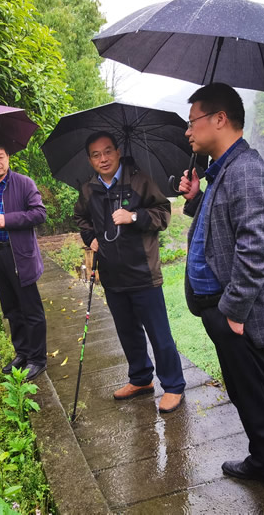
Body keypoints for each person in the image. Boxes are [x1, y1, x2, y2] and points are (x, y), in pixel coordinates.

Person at [178, 83, 264, 514]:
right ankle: (261, 461)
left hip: (239, 315)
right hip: (222, 310)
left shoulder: (247, 170)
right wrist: (196, 199)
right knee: (244, 396)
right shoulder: (224, 170)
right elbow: (221, 228)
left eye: (193, 121)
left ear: (219, 119)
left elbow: (256, 250)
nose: (188, 131)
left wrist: (233, 312)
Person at [74, 131, 186, 414]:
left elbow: (163, 214)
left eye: (107, 151)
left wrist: (134, 216)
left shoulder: (139, 180)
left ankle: (173, 385)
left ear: (118, 152)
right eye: (96, 155)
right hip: (112, 273)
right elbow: (81, 217)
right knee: (127, 331)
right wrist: (91, 238)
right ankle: (140, 378)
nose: (103, 158)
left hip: (143, 272)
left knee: (159, 333)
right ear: (90, 160)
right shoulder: (88, 189)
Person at [0, 139, 48, 381]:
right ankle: (22, 353)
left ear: (8, 157)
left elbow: (40, 213)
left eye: (1, 156)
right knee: (12, 309)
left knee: (31, 309)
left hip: (19, 256)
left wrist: (10, 219)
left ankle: (37, 359)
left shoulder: (24, 183)